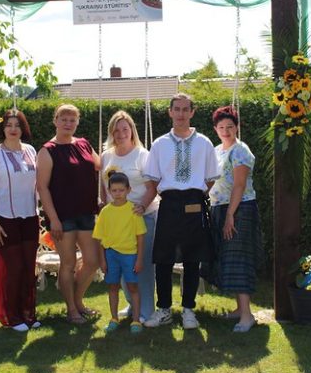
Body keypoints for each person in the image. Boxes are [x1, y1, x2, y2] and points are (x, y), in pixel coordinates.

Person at [140, 93, 220, 329]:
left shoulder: (204, 143)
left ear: (192, 112)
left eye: (186, 109)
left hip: (194, 203)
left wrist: (195, 195)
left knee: (192, 260)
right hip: (168, 204)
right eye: (177, 109)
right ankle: (164, 309)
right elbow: (153, 180)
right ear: (170, 112)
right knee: (163, 259)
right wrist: (142, 205)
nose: (181, 114)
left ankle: (188, 311)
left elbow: (210, 178)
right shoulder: (159, 144)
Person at [36, 104, 101, 324]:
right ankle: (71, 309)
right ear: (55, 121)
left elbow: (101, 165)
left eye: (72, 120)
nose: (68, 123)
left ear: (77, 122)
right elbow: (42, 187)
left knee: (92, 261)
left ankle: (78, 300)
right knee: (68, 263)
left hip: (87, 212)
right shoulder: (47, 151)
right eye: (63, 119)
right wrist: (53, 219)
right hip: (62, 217)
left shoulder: (84, 144)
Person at [0, 109, 40, 332]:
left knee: (28, 267)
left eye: (17, 125)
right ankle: (12, 317)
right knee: (13, 268)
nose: (13, 129)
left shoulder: (31, 151)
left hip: (30, 216)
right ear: (2, 128)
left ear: (23, 128)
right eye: (9, 125)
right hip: (5, 218)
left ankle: (28, 313)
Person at [100, 110, 159, 323]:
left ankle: (146, 310)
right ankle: (132, 303)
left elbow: (153, 187)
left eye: (125, 129)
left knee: (141, 265)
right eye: (116, 130)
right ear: (111, 133)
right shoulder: (106, 156)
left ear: (132, 130)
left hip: (142, 217)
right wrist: (105, 212)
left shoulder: (143, 155)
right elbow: (103, 188)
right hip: (117, 221)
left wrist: (141, 206)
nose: (121, 134)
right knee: (121, 263)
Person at [208, 106, 262, 332]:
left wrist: (230, 215)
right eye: (221, 127)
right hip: (219, 208)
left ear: (237, 127)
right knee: (227, 259)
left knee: (239, 259)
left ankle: (247, 316)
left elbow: (239, 185)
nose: (226, 131)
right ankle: (240, 309)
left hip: (240, 209)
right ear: (215, 129)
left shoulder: (241, 150)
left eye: (230, 126)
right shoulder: (216, 150)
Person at [94, 172, 147, 334]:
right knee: (113, 286)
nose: (118, 193)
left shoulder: (134, 210)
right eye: (114, 190)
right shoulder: (105, 212)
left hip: (130, 256)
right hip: (111, 255)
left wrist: (139, 259)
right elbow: (99, 238)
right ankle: (114, 318)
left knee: (132, 287)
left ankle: (136, 320)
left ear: (128, 190)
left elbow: (140, 237)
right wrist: (102, 260)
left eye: (121, 190)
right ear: (109, 191)